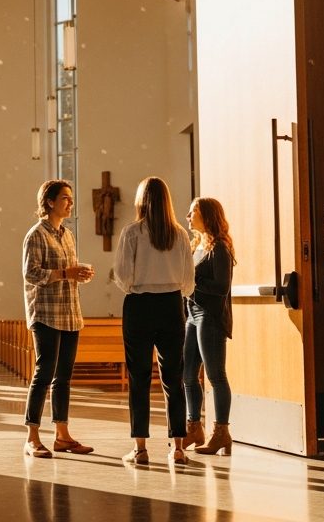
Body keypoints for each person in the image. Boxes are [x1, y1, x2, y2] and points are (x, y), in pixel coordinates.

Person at [112, 177, 194, 466]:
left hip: (140, 305)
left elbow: (123, 275)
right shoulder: (180, 234)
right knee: (174, 378)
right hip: (171, 304)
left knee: (139, 378)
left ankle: (141, 448)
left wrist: (140, 283)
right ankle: (179, 448)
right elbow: (188, 279)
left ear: (141, 201)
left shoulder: (132, 233)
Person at [21, 180, 95, 458]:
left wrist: (79, 275)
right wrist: (66, 273)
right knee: (44, 374)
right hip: (46, 314)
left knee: (63, 378)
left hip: (69, 312)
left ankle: (62, 435)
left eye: (71, 198)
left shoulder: (67, 235)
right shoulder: (36, 235)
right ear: (50, 202)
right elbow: (32, 274)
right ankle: (32, 437)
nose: (70, 203)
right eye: (65, 198)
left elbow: (67, 273)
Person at [182, 197, 236, 456]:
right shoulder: (197, 247)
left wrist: (191, 282)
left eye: (193, 212)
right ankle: (194, 427)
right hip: (192, 314)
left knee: (215, 376)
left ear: (207, 215)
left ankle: (221, 432)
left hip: (210, 317)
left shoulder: (220, 249)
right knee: (187, 374)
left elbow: (222, 288)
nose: (188, 216)